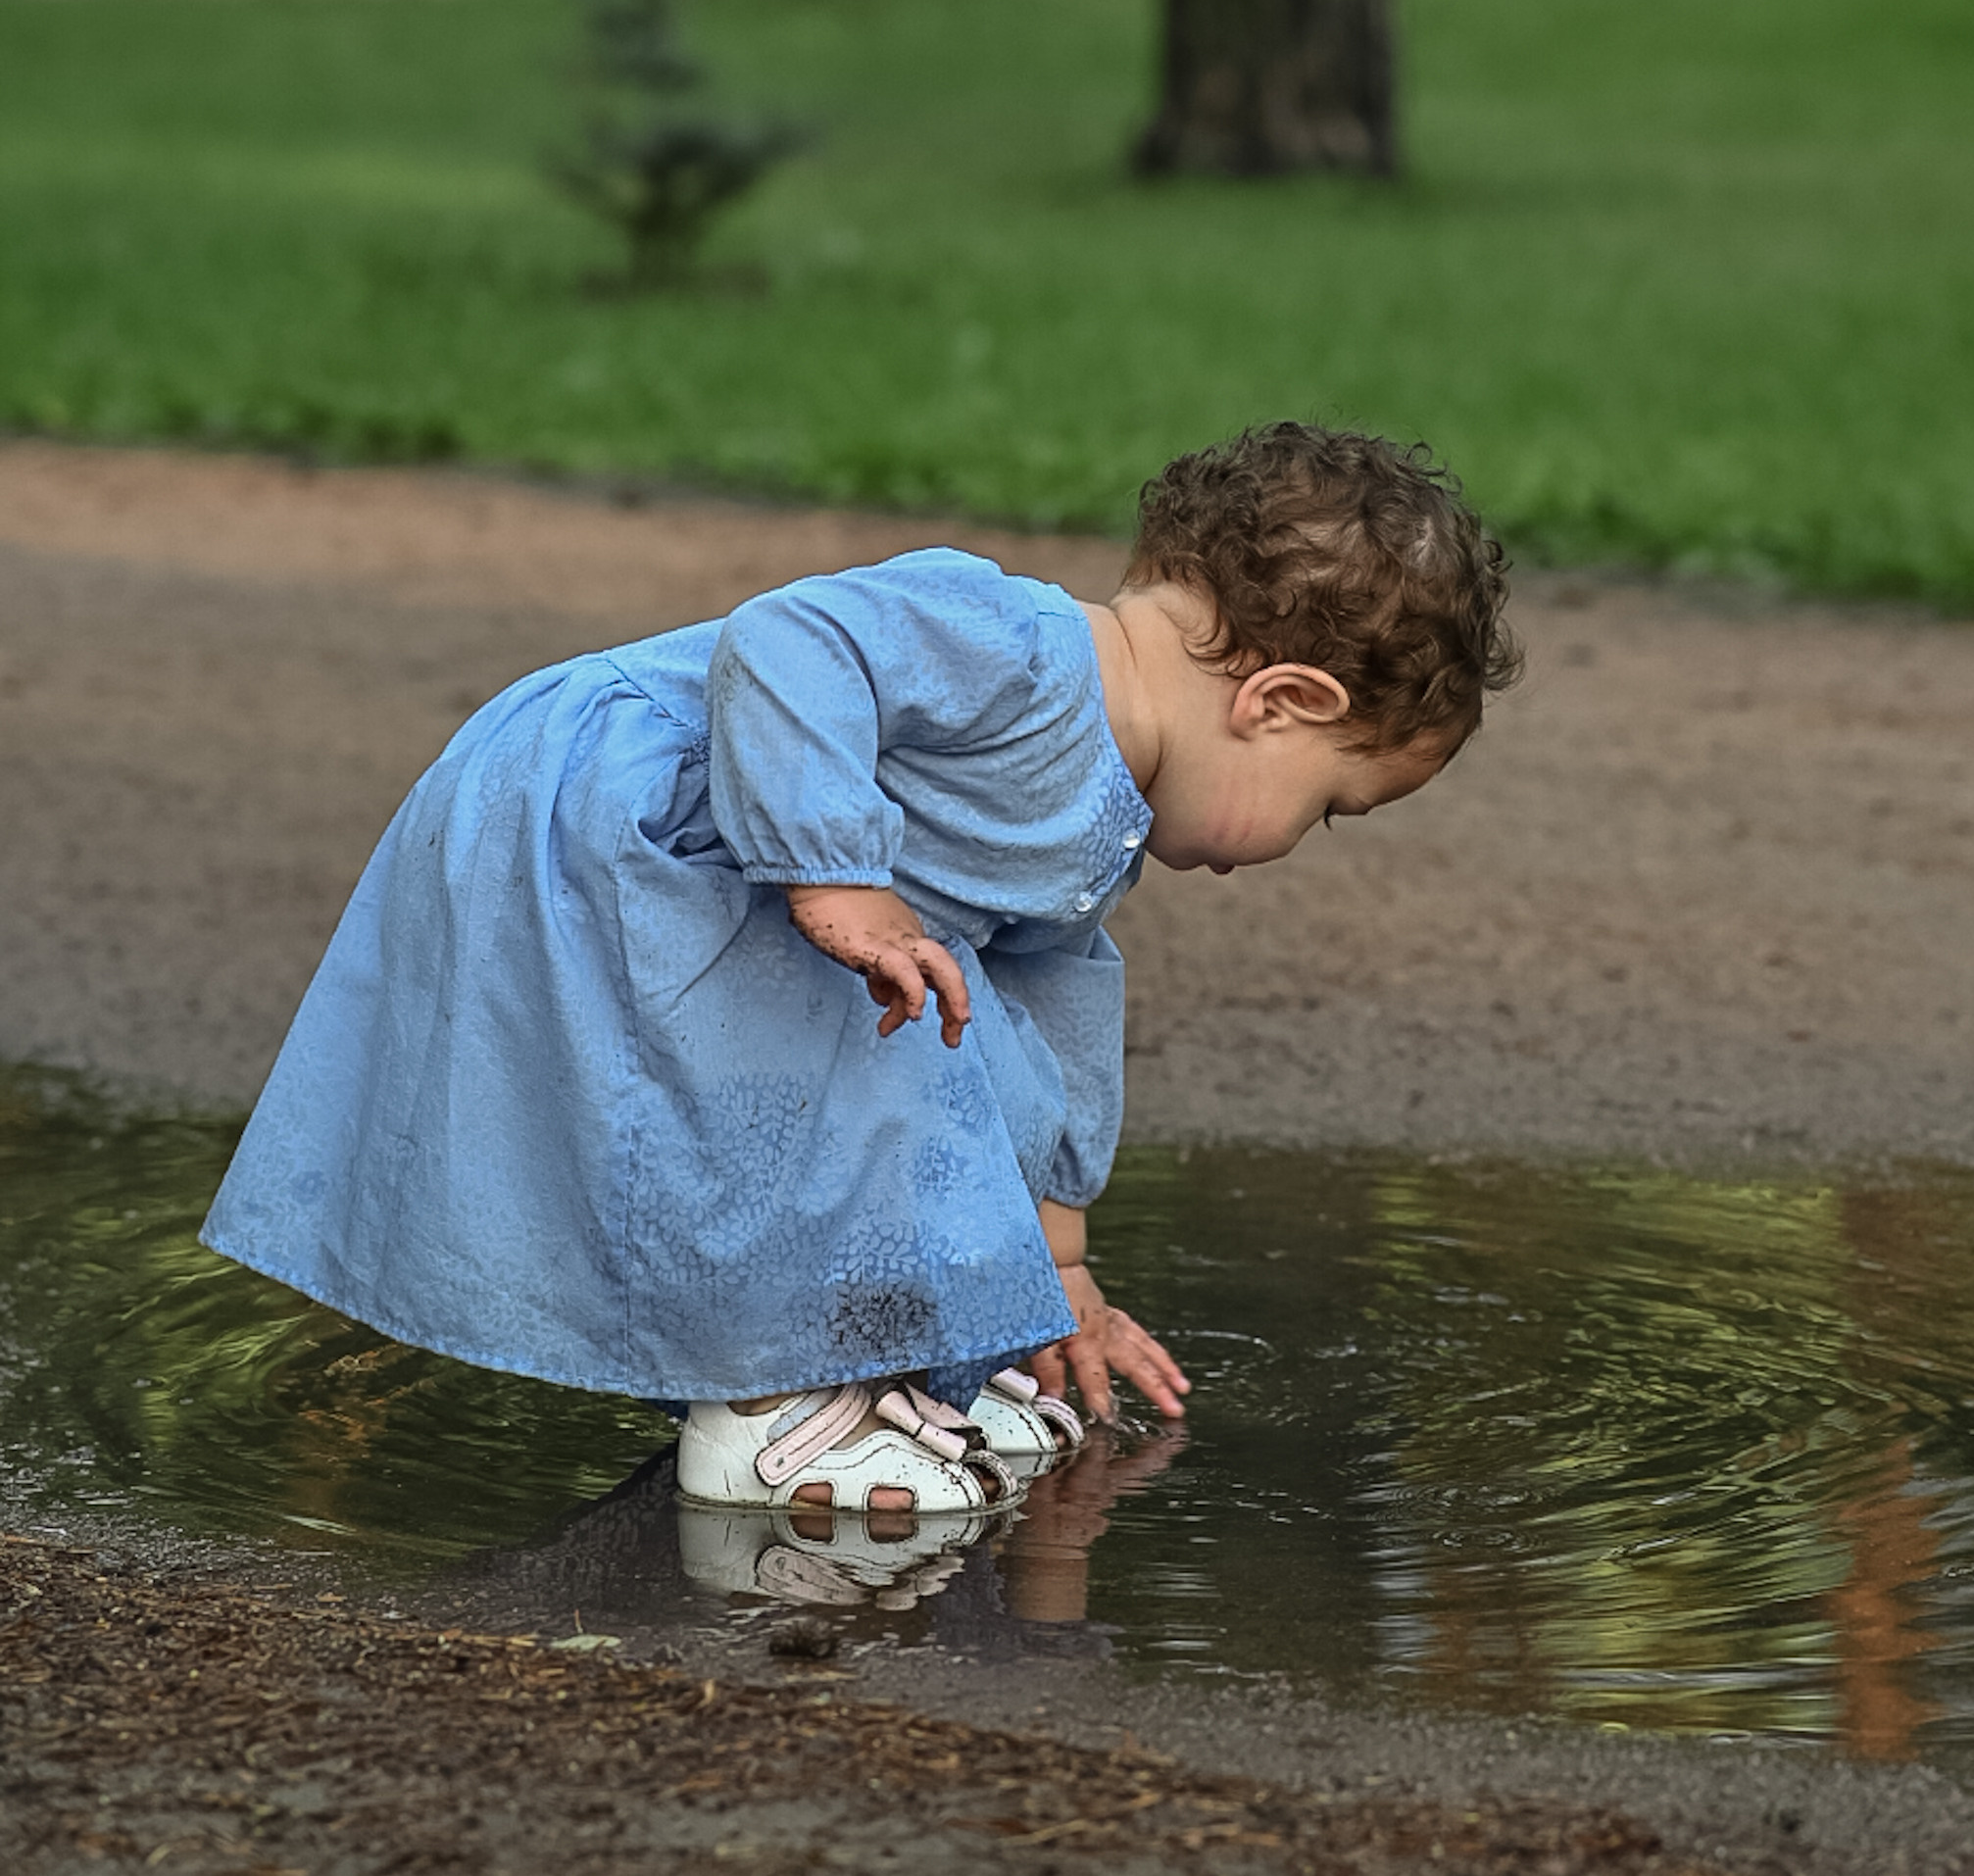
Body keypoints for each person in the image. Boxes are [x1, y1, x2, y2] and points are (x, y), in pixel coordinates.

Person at [203, 423, 1520, 1527]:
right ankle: (765, 1409)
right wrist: (832, 875)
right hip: (609, 822)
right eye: (1330, 806)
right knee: (775, 1091)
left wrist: (1055, 1275)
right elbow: (789, 639)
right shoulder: (1019, 647)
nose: (1303, 840)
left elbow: (1042, 1033)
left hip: (712, 865)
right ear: (1279, 702)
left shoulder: (1098, 825)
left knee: (933, 1041)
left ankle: (869, 1364)